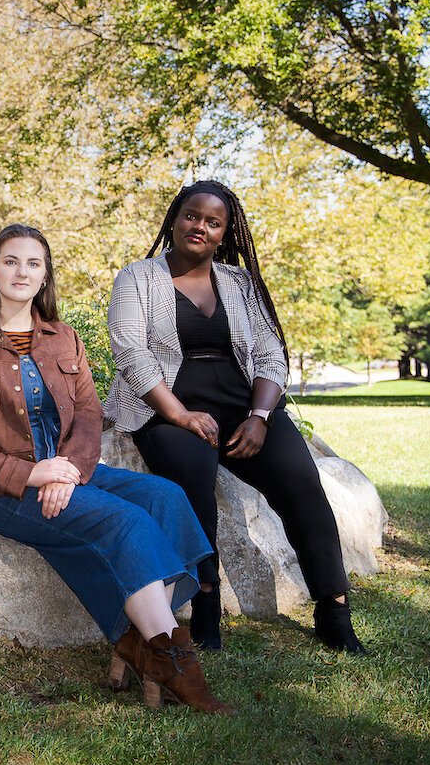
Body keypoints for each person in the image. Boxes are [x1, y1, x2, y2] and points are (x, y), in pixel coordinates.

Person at [0, 224, 234, 715]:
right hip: (0, 486)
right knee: (126, 521)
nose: (21, 271)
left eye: (33, 263)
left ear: (45, 276)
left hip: (71, 471)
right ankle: (174, 663)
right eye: (10, 261)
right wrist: (32, 475)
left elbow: (90, 413)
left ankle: (141, 643)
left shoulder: (63, 339)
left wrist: (66, 469)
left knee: (166, 498)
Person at [106, 180, 367, 654]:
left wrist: (261, 416)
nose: (199, 227)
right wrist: (182, 416)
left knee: (300, 480)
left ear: (225, 233)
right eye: (191, 215)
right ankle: (206, 603)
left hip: (243, 404)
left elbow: (270, 354)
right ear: (174, 219)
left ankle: (334, 608)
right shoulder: (137, 278)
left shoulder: (240, 284)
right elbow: (131, 353)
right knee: (191, 478)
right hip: (163, 405)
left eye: (212, 221)